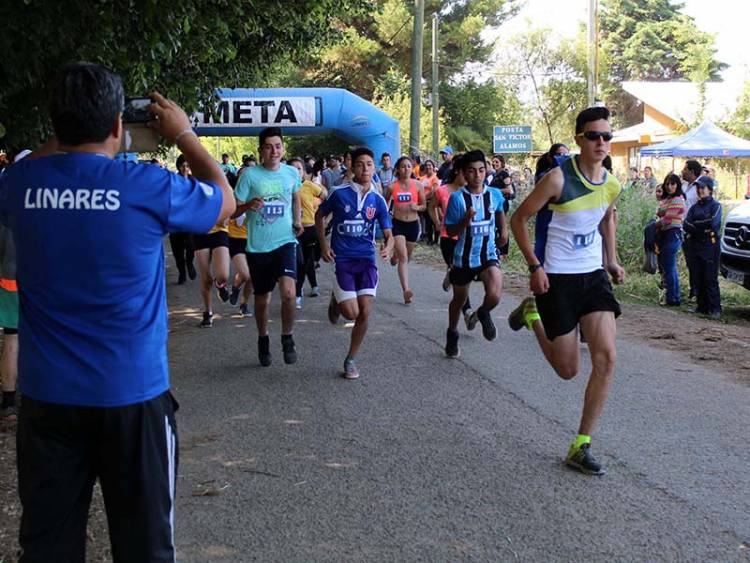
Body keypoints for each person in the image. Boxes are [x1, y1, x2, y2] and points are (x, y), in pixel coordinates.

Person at [0, 62, 234, 560]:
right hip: (132, 395)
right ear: (117, 125)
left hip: (47, 400)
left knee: (47, 549)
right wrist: (185, 135)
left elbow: (33, 163)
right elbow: (225, 202)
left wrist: (71, 135)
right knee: (145, 547)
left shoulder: (19, 185)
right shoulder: (146, 186)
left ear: (55, 123)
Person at [508, 106, 625, 476]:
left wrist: (612, 259)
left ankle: (581, 444)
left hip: (592, 277)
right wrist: (534, 265)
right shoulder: (558, 179)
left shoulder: (611, 183)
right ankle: (532, 317)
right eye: (594, 136)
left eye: (607, 136)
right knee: (567, 369)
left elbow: (606, 216)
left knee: (606, 356)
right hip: (556, 278)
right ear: (578, 139)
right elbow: (519, 218)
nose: (602, 142)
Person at [315, 147, 394, 379]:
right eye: (360, 164)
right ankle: (337, 300)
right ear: (352, 167)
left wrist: (388, 247)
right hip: (343, 260)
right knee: (351, 313)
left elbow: (388, 232)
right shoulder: (338, 193)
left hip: (367, 260)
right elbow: (319, 216)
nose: (365, 168)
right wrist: (323, 245)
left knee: (365, 311)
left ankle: (351, 359)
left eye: (369, 164)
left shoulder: (378, 200)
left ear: (374, 167)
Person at [234, 126, 302, 367]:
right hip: (258, 247)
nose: (274, 151)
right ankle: (263, 338)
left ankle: (287, 336)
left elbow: (295, 197)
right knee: (262, 301)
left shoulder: (292, 173)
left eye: (278, 146)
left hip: (285, 241)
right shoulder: (249, 176)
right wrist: (247, 205)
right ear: (260, 150)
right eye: (268, 147)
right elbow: (233, 210)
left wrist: (296, 220)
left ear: (283, 148)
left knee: (289, 293)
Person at [442, 150, 507, 358]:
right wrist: (465, 221)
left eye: (481, 170)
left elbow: (500, 212)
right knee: (459, 300)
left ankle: (482, 313)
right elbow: (450, 231)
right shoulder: (457, 199)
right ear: (463, 173)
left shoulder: (494, 194)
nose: (477, 175)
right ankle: (452, 333)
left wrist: (503, 232)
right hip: (464, 257)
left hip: (488, 254)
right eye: (471, 171)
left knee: (495, 295)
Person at [429, 156, 475, 325]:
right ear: (458, 172)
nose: (470, 177)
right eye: (467, 173)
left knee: (461, 272)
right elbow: (431, 206)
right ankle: (468, 311)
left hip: (466, 237)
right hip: (448, 236)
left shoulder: (472, 193)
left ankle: (450, 274)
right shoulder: (442, 190)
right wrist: (436, 222)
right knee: (459, 273)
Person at [0, 151, 25, 422]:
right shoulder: (39, 200)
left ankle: (8, 403)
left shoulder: (4, 200)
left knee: (11, 337)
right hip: (37, 281)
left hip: (6, 279)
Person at [385, 156, 426, 304]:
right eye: (403, 166)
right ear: (398, 169)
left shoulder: (418, 185)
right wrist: (386, 221)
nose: (406, 169)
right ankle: (406, 290)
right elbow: (385, 204)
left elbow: (424, 205)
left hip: (413, 225)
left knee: (406, 257)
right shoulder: (391, 187)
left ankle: (395, 255)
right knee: (404, 258)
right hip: (398, 224)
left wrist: (418, 207)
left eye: (409, 166)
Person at [289, 157, 327, 308]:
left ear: (304, 172)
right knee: (297, 261)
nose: (296, 171)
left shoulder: (309, 186)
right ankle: (296, 289)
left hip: (309, 228)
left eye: (299, 168)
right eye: (292, 168)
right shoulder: (283, 186)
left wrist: (314, 203)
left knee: (305, 261)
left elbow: (324, 196)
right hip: (290, 231)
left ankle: (298, 293)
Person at [684, 176, 722, 318]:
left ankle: (715, 308)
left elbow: (713, 224)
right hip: (695, 244)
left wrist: (696, 225)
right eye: (698, 188)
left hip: (710, 245)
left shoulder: (716, 206)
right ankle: (701, 306)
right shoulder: (694, 207)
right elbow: (686, 224)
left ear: (710, 190)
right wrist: (701, 226)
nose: (700, 190)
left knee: (710, 277)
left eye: (702, 187)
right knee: (697, 276)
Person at [655, 173, 686, 306]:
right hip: (664, 234)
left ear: (677, 185)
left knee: (670, 266)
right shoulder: (667, 199)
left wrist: (655, 225)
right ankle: (671, 296)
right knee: (666, 266)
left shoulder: (678, 199)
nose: (669, 186)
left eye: (672, 184)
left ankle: (673, 297)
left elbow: (668, 219)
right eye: (667, 184)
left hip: (673, 233)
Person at [168, 155, 197, 284]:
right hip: (174, 222)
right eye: (182, 166)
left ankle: (189, 262)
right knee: (177, 251)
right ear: (178, 167)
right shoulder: (172, 181)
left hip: (189, 221)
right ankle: (182, 272)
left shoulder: (194, 182)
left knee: (191, 246)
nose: (185, 168)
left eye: (187, 166)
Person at [227, 203, 253, 318]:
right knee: (246, 274)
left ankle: (244, 304)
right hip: (234, 240)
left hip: (253, 240)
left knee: (252, 276)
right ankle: (236, 287)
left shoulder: (257, 198)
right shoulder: (232, 198)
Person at [419, 159, 440, 244]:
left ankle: (435, 240)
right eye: (426, 165)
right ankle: (429, 239)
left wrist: (424, 197)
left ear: (433, 167)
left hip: (433, 202)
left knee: (434, 220)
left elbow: (434, 191)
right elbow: (420, 189)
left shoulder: (435, 178)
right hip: (425, 202)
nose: (428, 167)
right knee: (427, 221)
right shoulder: (422, 178)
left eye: (430, 165)